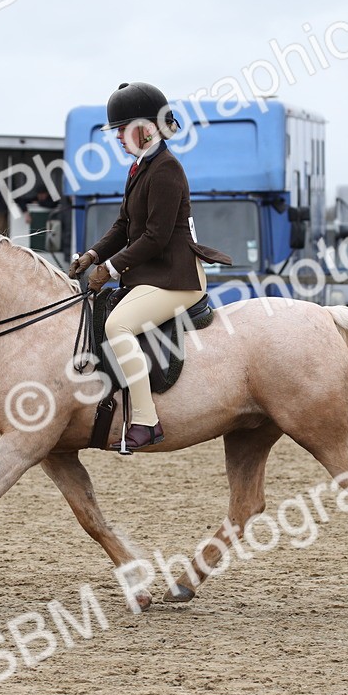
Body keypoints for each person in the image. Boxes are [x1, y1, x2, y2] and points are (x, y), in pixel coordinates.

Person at [68, 82, 232, 450]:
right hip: (153, 276)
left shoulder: (167, 170)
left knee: (118, 325)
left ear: (146, 127)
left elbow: (156, 237)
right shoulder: (141, 167)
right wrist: (91, 256)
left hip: (177, 279)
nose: (118, 138)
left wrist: (108, 270)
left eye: (122, 130)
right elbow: (125, 226)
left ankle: (146, 420)